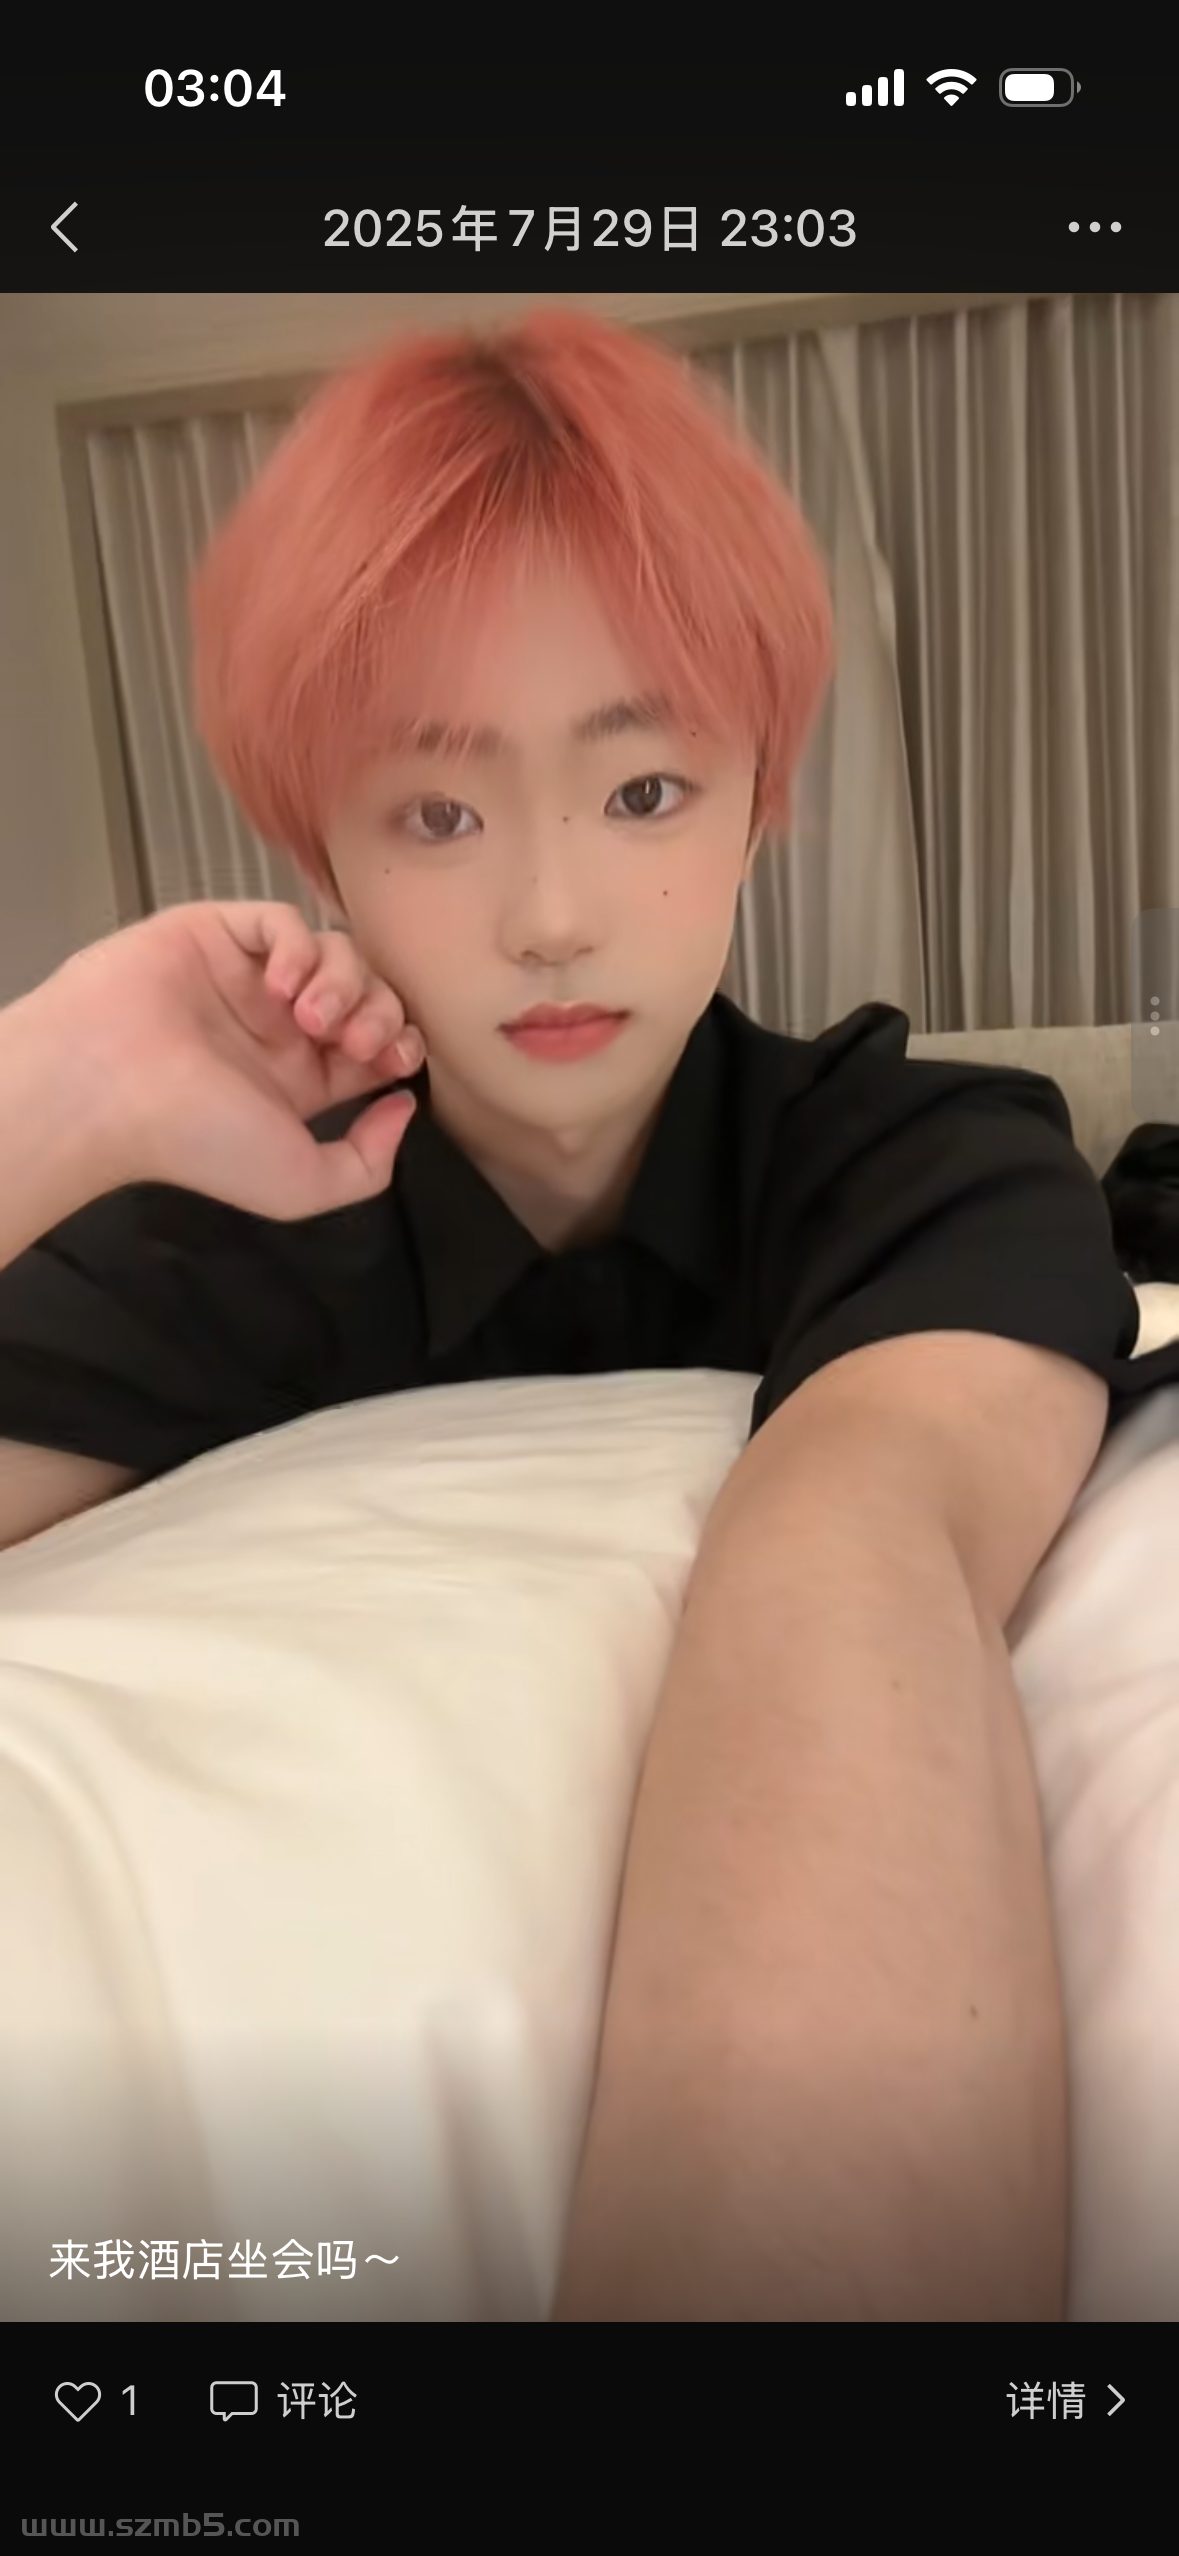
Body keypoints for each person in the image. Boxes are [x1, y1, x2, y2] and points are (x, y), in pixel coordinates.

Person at [0, 307, 1168, 2320]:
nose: (550, 914)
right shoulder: (226, 1234)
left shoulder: (930, 1165)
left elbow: (854, 1550)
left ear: (755, 796)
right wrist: (42, 1101)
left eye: (641, 790)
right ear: (317, 844)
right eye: (437, 815)